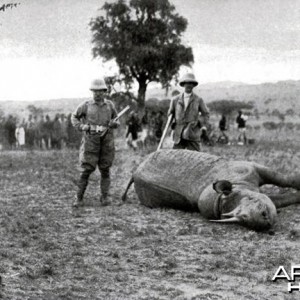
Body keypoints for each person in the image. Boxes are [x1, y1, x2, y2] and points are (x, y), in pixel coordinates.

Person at [71, 78, 120, 207]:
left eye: (100, 91)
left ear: (105, 91)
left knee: (105, 169)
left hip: (106, 140)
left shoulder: (110, 105)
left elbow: (117, 120)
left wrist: (114, 124)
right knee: (85, 170)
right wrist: (82, 127)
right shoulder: (86, 105)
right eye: (95, 91)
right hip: (90, 141)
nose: (98, 94)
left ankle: (104, 197)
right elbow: (74, 117)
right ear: (92, 92)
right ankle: (78, 198)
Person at [168, 73, 209, 151]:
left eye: (191, 83)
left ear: (193, 85)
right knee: (176, 157)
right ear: (183, 84)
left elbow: (206, 114)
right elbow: (170, 114)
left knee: (196, 157)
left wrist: (201, 124)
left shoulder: (198, 100)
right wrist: (173, 126)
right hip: (178, 134)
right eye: (187, 83)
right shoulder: (175, 100)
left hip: (192, 133)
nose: (189, 85)